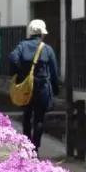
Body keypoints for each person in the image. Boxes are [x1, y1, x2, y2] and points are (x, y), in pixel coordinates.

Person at [8, 19, 60, 153]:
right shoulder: (47, 49)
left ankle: (26, 146)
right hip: (42, 88)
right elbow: (54, 71)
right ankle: (35, 148)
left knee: (26, 116)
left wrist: (20, 72)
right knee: (39, 119)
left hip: (26, 88)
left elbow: (13, 57)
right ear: (42, 34)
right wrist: (55, 89)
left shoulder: (21, 46)